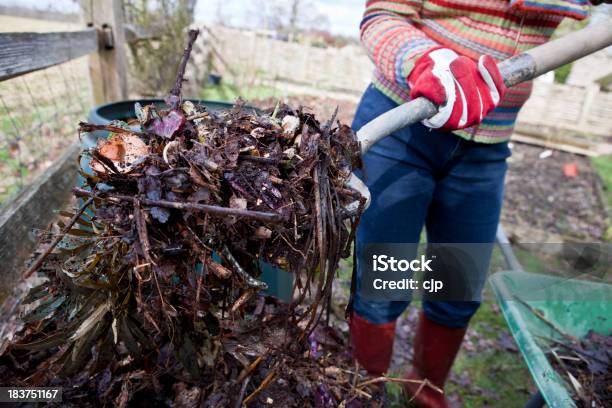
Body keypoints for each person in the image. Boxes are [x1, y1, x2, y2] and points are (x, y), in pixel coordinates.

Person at [349, 1, 607, 406]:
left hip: (486, 146)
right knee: (386, 280)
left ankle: (426, 390)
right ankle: (366, 392)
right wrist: (424, 60)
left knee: (457, 286)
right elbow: (382, 14)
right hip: (404, 126)